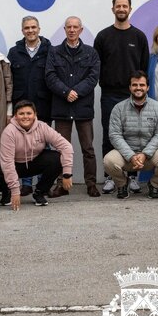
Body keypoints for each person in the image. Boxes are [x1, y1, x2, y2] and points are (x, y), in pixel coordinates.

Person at [94, 0, 150, 194]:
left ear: (130, 9)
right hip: (110, 94)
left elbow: (144, 68)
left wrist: (139, 91)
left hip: (134, 96)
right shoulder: (103, 36)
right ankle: (111, 176)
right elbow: (97, 65)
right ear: (113, 9)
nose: (121, 9)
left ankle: (133, 177)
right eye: (118, 6)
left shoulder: (139, 37)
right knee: (110, 135)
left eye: (125, 6)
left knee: (134, 135)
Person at [45, 16, 102, 197]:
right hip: (62, 108)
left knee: (88, 149)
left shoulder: (91, 53)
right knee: (62, 148)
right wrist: (65, 92)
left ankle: (91, 184)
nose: (71, 30)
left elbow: (93, 77)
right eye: (68, 27)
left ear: (81, 30)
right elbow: (50, 76)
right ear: (64, 29)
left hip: (83, 108)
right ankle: (62, 184)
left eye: (75, 27)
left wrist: (76, 91)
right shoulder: (54, 52)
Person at [0, 101, 75, 210]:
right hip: (13, 163)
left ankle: (40, 192)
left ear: (35, 114)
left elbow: (66, 146)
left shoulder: (42, 127)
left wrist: (67, 174)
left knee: (57, 159)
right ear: (16, 116)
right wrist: (15, 190)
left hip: (33, 162)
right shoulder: (9, 132)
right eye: (21, 114)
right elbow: (7, 163)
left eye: (29, 113)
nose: (25, 116)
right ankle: (6, 192)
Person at [103, 71, 158, 199]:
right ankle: (122, 184)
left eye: (142, 85)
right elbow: (114, 135)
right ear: (130, 87)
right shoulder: (118, 108)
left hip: (149, 156)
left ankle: (154, 184)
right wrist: (131, 156)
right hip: (126, 156)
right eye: (134, 85)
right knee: (108, 161)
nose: (138, 88)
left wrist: (145, 153)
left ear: (147, 87)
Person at [8, 16, 53, 125]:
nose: (30, 30)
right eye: (27, 28)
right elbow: (9, 80)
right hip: (20, 108)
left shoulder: (50, 51)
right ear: (22, 31)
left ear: (39, 29)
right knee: (20, 140)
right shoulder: (14, 52)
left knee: (43, 140)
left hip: (43, 107)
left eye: (33, 27)